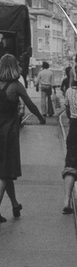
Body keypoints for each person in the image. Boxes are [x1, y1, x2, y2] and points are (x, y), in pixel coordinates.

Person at [0, 54, 45, 223]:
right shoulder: (16, 86)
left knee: (4, 171)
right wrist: (41, 117)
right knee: (4, 172)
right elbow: (30, 104)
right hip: (8, 134)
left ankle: (15, 204)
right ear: (14, 68)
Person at [60, 71, 77, 215]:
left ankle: (66, 201)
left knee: (70, 165)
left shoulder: (70, 91)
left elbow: (68, 113)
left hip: (74, 129)